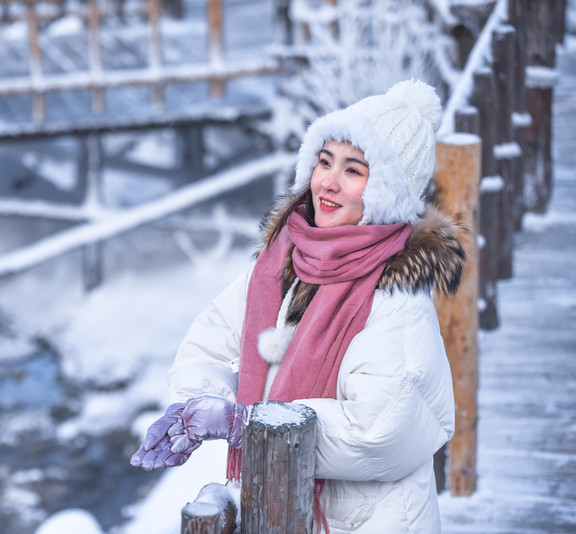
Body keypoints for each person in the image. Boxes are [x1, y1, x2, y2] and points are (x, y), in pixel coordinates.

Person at [130, 79, 465, 533]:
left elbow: (380, 430)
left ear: (388, 190)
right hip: (283, 506)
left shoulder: (397, 296)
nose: (328, 182)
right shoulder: (286, 257)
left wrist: (244, 423)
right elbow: (209, 340)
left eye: (354, 170)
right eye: (324, 161)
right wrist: (202, 404)